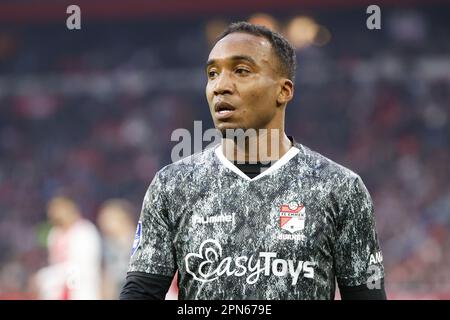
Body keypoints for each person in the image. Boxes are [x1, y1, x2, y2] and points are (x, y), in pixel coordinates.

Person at [120, 21, 386, 300]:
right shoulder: (171, 186)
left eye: (241, 71)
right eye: (212, 73)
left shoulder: (340, 188)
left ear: (283, 91)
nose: (220, 86)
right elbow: (141, 293)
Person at [34, 195, 102, 300]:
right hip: (58, 289)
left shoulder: (85, 231)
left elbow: (84, 265)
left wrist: (53, 276)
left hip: (80, 287)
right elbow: (54, 262)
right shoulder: (55, 233)